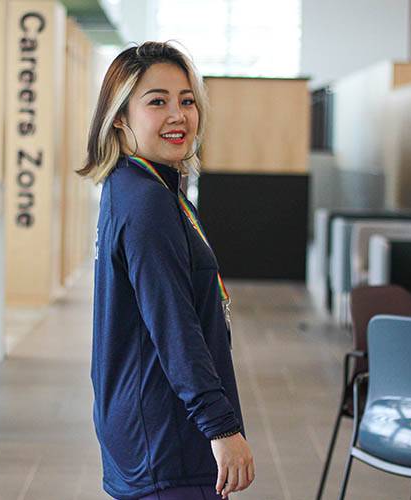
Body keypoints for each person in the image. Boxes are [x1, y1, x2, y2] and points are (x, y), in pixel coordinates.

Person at [77, 42, 254, 500]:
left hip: (146, 426)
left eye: (187, 100)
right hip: (166, 438)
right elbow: (175, 327)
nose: (178, 115)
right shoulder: (147, 201)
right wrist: (221, 427)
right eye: (157, 101)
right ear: (120, 116)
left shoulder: (136, 185)